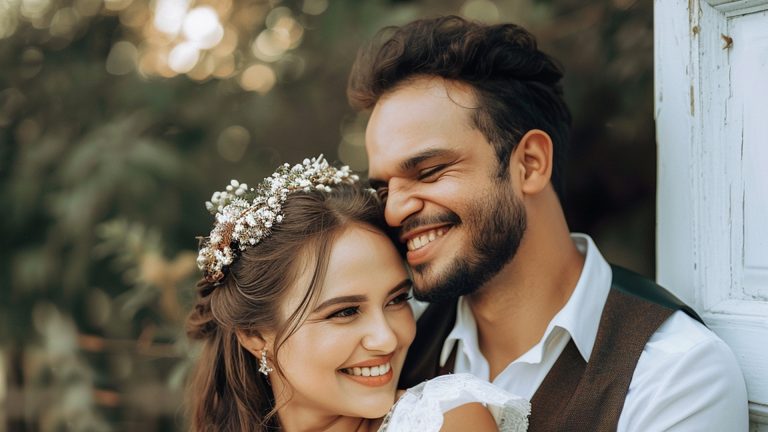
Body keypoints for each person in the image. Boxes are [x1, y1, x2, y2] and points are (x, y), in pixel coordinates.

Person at [347, 16, 749, 431]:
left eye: (429, 171)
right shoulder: (385, 347)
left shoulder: (675, 376)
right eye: (383, 189)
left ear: (530, 164)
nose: (393, 211)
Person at [185, 155, 530, 431]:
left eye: (397, 300)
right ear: (255, 336)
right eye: (345, 311)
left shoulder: (441, 420)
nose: (386, 339)